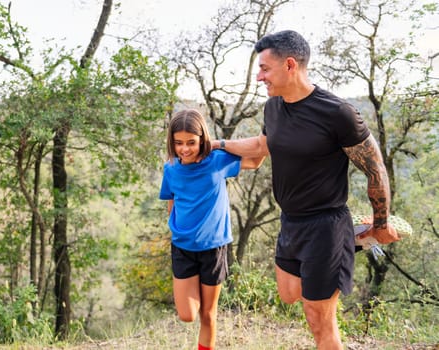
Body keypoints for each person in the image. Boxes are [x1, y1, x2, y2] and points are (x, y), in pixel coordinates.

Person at [211, 30, 395, 350]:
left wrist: (381, 224)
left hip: (325, 223)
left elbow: (375, 168)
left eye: (265, 69)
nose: (259, 77)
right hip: (291, 222)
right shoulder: (273, 108)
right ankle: (352, 241)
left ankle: (348, 240)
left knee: (318, 317)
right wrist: (216, 144)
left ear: (290, 65)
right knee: (289, 294)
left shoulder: (337, 113)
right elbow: (263, 145)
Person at [159, 109, 264, 350]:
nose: (185, 149)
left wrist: (219, 143)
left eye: (191, 143)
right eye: (178, 143)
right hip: (182, 248)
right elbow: (171, 200)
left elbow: (258, 156)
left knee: (208, 314)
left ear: (202, 140)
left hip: (213, 249)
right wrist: (176, 228)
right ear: (171, 143)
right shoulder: (171, 168)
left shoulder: (217, 161)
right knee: (187, 315)